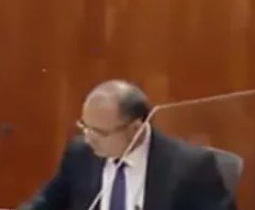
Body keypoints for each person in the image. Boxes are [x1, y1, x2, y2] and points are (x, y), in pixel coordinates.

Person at [18, 80, 236, 210]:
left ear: (136, 128)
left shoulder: (191, 167)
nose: (89, 138)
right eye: (85, 127)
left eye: (101, 132)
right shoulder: (81, 153)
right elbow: (46, 203)